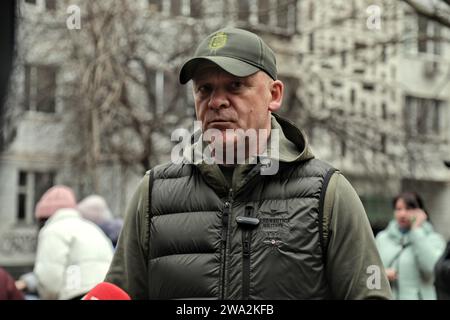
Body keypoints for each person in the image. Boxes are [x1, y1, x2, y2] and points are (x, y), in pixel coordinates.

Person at [105, 27, 392, 299]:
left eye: (235, 86)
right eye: (204, 89)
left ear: (274, 94)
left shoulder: (327, 194)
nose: (217, 102)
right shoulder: (154, 193)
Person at [20, 185, 114, 300]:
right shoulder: (92, 227)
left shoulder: (52, 230)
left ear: (43, 217)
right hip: (103, 294)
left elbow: (49, 280)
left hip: (76, 294)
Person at [376, 192, 445, 299]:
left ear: (420, 212)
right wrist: (382, 274)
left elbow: (431, 270)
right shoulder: (382, 239)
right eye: (398, 209)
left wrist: (416, 231)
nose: (403, 214)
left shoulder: (434, 240)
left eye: (408, 209)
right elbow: (368, 272)